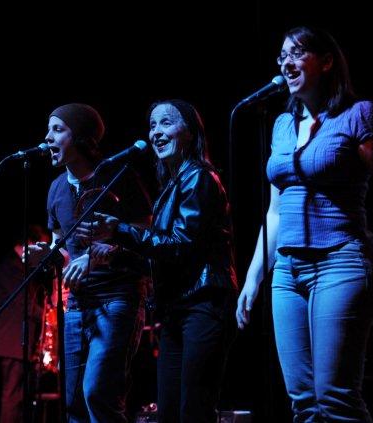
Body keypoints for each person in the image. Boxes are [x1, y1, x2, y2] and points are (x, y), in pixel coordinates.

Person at [235, 27, 373, 421]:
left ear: (327, 61)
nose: (287, 62)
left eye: (298, 53)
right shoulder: (282, 125)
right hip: (287, 271)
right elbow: (275, 212)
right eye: (282, 55)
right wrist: (253, 278)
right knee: (303, 402)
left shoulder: (358, 114)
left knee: (334, 397)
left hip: (340, 262)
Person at [76, 100, 238, 422]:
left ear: (190, 132)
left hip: (204, 303)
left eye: (165, 123)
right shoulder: (172, 185)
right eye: (152, 126)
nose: (155, 133)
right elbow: (164, 257)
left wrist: (120, 231)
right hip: (178, 307)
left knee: (194, 410)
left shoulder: (199, 178)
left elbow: (181, 245)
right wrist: (115, 255)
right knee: (169, 412)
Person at [26, 103, 152, 422]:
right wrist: (46, 255)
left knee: (98, 392)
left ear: (82, 138)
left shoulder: (119, 177)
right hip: (77, 304)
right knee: (73, 403)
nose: (47, 137)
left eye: (58, 129)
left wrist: (95, 256)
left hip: (117, 298)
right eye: (49, 129)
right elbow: (61, 248)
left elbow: (146, 233)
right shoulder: (56, 188)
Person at [0, 224, 52, 423]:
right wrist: (50, 315)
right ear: (30, 243)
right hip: (12, 343)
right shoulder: (11, 266)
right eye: (42, 247)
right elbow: (24, 304)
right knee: (13, 396)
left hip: (19, 343)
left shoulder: (20, 267)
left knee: (19, 397)